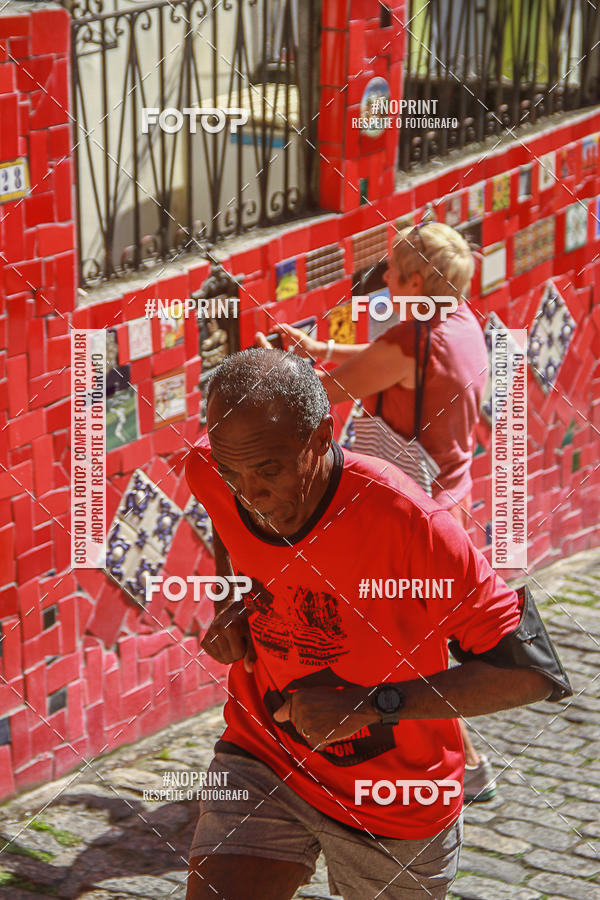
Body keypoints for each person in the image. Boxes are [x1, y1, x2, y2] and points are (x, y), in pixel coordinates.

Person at [184, 348, 571, 900]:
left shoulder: (411, 524)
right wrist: (232, 596)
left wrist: (369, 704)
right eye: (234, 472)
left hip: (397, 795)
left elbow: (531, 675)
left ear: (320, 436)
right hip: (266, 752)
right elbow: (226, 513)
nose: (250, 492)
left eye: (269, 470)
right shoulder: (211, 469)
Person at [257, 222, 494, 799]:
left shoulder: (410, 342)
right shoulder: (463, 324)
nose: (384, 278)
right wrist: (316, 349)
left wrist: (274, 368)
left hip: (402, 512)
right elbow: (382, 362)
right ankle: (457, 761)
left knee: (398, 644)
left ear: (414, 280)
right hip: (450, 501)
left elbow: (322, 395)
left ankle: (454, 763)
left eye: (391, 270)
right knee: (416, 640)